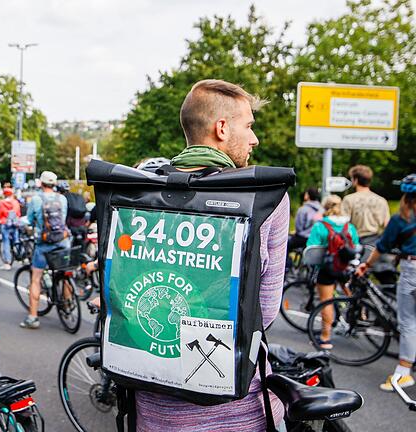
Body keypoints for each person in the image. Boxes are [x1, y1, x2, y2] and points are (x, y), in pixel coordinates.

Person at [136, 79, 289, 430]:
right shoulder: (264, 199)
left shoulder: (139, 193)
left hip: (155, 410)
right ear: (221, 128)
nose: (255, 139)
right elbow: (263, 313)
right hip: (236, 410)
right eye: (249, 126)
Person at [356, 173, 416, 391]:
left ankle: (404, 372)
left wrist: (366, 266)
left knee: (408, 321)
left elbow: (382, 247)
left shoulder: (402, 219)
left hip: (412, 270)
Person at [305, 194, 360, 349]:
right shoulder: (349, 226)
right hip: (346, 268)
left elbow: (311, 250)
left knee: (326, 302)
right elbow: (355, 245)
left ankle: (325, 338)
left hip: (327, 269)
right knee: (352, 296)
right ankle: (359, 318)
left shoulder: (320, 226)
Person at [20, 170, 71, 330]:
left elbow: (29, 220)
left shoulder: (36, 199)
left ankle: (33, 318)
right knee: (65, 272)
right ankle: (68, 304)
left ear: (41, 183)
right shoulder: (62, 198)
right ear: (54, 184)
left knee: (35, 279)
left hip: (44, 244)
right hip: (63, 241)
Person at [341, 165, 390, 244]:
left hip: (355, 242)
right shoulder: (381, 200)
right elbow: (387, 225)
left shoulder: (349, 199)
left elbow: (343, 224)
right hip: (375, 242)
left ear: (356, 180)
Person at [0, 188, 21, 270]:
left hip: (5, 223)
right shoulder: (15, 202)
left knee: (6, 242)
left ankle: (7, 262)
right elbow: (18, 213)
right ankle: (21, 255)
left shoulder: (2, 202)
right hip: (15, 223)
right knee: (17, 240)